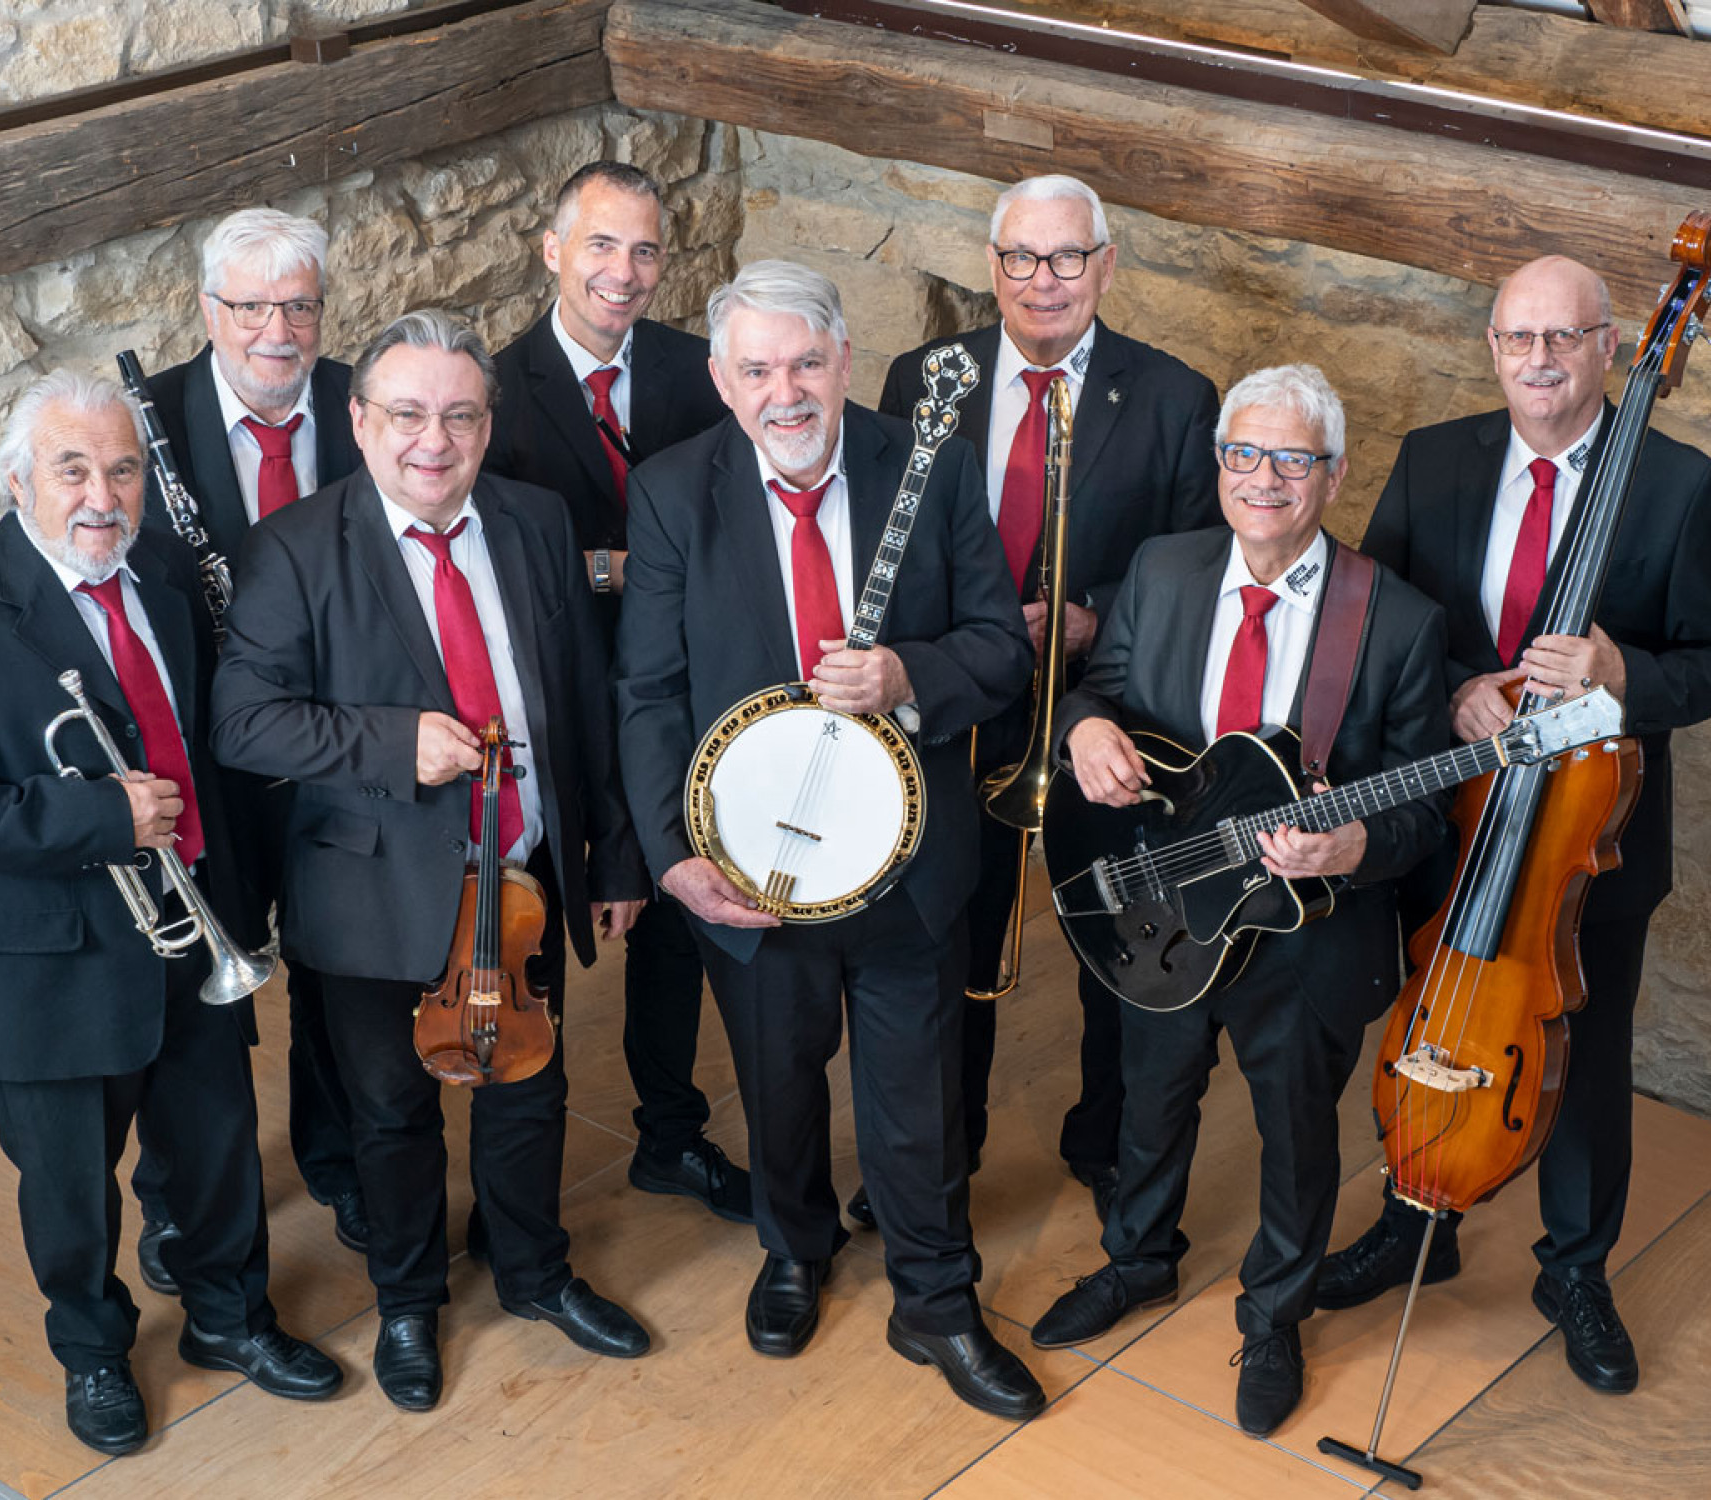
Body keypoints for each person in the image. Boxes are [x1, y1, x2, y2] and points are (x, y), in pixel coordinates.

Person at [0, 369, 342, 1457]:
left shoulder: (164, 585)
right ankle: (92, 1352)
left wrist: (238, 900)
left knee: (220, 1149)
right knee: (71, 1187)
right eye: (72, 468)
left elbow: (203, 762)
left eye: (122, 468)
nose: (102, 493)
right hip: (51, 962)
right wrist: (96, 815)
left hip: (188, 937)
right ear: (15, 482)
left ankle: (231, 1320)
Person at [615, 260, 1044, 1419]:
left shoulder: (929, 464)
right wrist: (671, 856)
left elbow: (1001, 648)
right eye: (755, 370)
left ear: (846, 360)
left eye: (805, 362)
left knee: (915, 1095)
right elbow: (648, 691)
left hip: (906, 866)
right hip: (750, 867)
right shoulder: (670, 492)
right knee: (777, 1079)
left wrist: (909, 672)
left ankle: (935, 1299)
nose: (784, 391)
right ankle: (794, 1248)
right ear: (720, 379)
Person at [1321, 255, 1711, 1395]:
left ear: (1612, 347)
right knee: (1432, 1015)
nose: (1538, 361)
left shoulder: (1675, 484)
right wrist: (1461, 678)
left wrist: (1619, 671)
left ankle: (1573, 1268)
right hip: (1453, 809)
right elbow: (1372, 611)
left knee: (1575, 1054)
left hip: (1581, 837)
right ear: (1491, 347)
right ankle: (1415, 1217)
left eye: (1563, 339)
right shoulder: (1433, 458)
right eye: (1517, 339)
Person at [211, 309, 651, 1412]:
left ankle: (534, 1271)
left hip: (523, 873)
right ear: (358, 421)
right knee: (392, 1115)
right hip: (368, 892)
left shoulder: (536, 519)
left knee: (529, 1089)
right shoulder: (294, 546)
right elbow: (244, 725)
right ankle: (409, 1301)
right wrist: (388, 743)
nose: (432, 440)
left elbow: (580, 699)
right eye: (405, 413)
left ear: (486, 421)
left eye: (459, 415)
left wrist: (613, 853)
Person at [1034, 364, 1449, 1437]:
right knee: (1148, 1093)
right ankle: (1136, 1260)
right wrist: (1081, 725)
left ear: (1334, 473)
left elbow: (1426, 811)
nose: (1263, 479)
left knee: (1292, 1130)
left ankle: (1273, 1313)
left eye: (1292, 459)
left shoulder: (1393, 618)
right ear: (1220, 462)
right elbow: (1104, 692)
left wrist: (1356, 841)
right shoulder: (1164, 569)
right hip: (1165, 897)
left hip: (1302, 927)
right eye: (1243, 454)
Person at [875, 174, 1220, 1223]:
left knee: (1110, 926)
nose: (1043, 280)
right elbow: (884, 536)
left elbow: (1197, 562)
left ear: (1105, 266)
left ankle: (1105, 1137)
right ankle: (946, 1137)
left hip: (1103, 701)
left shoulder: (1171, 396)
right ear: (992, 268)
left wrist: (1089, 620)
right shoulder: (922, 377)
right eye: (1020, 258)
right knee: (945, 932)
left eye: (1067, 257)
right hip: (958, 698)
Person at [485, 161, 746, 1223]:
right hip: (550, 703)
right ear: (551, 251)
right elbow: (501, 562)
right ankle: (515, 1174)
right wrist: (618, 569)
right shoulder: (493, 394)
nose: (622, 272)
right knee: (538, 924)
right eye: (599, 245)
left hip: (686, 691)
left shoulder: (706, 369)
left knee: (675, 919)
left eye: (644, 250)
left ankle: (669, 1133)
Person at [135, 206, 367, 1286]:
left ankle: (337, 1154)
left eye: (298, 305)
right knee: (196, 995)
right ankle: (180, 1197)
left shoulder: (362, 402)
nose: (276, 330)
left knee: (337, 966)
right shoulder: (145, 430)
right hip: (205, 764)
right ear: (206, 310)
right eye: (250, 306)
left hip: (334, 748)